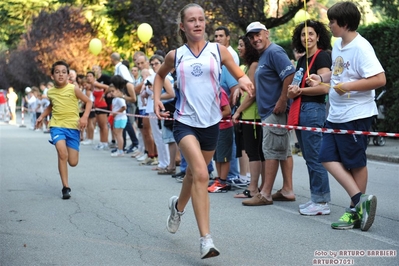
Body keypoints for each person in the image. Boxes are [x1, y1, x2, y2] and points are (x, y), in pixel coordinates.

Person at [153, 3, 253, 259]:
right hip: (184, 121)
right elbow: (159, 76)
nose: (197, 24)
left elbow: (238, 75)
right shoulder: (176, 56)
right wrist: (156, 99)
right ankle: (205, 240)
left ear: (205, 23)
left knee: (193, 177)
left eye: (201, 19)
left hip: (211, 123)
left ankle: (177, 207)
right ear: (182, 26)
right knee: (200, 173)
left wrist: (243, 82)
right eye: (191, 20)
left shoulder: (218, 51)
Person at [308, 1, 385, 231]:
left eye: (332, 21)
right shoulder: (338, 44)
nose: (329, 25)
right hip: (336, 114)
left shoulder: (362, 47)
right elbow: (339, 71)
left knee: (355, 162)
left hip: (356, 115)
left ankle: (354, 210)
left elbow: (379, 79)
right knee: (325, 156)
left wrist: (349, 86)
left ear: (344, 23)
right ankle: (360, 201)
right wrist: (322, 79)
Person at [242, 21, 296, 206]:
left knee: (271, 151)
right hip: (270, 111)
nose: (255, 39)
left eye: (258, 35)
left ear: (266, 34)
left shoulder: (274, 51)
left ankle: (265, 193)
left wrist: (282, 100)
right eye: (251, 37)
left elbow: (290, 73)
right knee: (283, 151)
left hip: (275, 110)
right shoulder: (264, 54)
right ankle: (287, 189)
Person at [287, 20, 332, 216]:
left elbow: (323, 87)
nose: (307, 37)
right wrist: (292, 92)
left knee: (315, 157)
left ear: (319, 36)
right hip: (302, 108)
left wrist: (300, 90)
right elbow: (296, 88)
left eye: (311, 33)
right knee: (309, 157)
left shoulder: (322, 57)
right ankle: (316, 197)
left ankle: (321, 201)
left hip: (314, 109)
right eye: (304, 34)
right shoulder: (302, 59)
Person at [35, 61, 92, 199]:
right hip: (57, 126)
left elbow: (89, 102)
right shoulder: (51, 91)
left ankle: (67, 151)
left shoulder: (73, 89)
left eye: (63, 72)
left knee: (73, 162)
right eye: (57, 72)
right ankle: (65, 187)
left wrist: (84, 117)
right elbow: (51, 105)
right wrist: (42, 116)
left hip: (73, 127)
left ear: (67, 75)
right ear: (52, 75)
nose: (60, 74)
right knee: (62, 153)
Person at [232, 35, 264, 199]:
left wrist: (237, 112)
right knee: (253, 151)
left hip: (252, 116)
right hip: (247, 115)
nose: (239, 48)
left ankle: (253, 188)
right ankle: (259, 187)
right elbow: (244, 86)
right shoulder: (245, 67)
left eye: (241, 45)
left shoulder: (254, 65)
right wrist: (238, 88)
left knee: (254, 152)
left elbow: (252, 93)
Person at [207, 89, 234, 193]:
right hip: (215, 127)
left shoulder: (219, 92)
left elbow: (227, 110)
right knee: (217, 156)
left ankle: (223, 182)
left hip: (224, 127)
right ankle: (219, 179)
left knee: (224, 156)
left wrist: (214, 117)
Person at [87, 71, 109, 150]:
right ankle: (101, 141)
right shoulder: (92, 86)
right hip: (97, 106)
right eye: (87, 76)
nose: (88, 78)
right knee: (100, 126)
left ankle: (105, 142)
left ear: (94, 77)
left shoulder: (96, 84)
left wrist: (103, 95)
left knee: (103, 125)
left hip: (102, 106)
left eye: (90, 76)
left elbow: (107, 87)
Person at [108, 84, 128, 157]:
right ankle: (119, 148)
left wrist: (115, 113)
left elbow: (124, 107)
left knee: (119, 134)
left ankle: (120, 150)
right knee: (116, 134)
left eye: (113, 91)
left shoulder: (120, 99)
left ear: (118, 91)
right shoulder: (115, 99)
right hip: (117, 118)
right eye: (110, 92)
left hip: (121, 118)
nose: (112, 93)